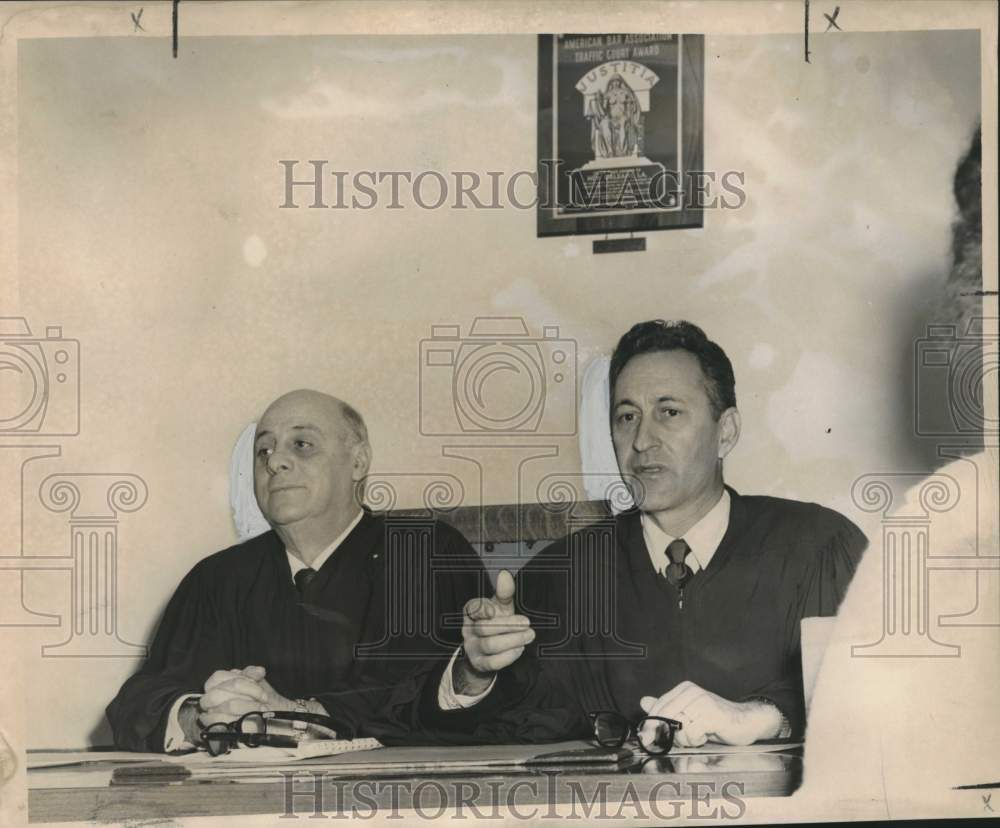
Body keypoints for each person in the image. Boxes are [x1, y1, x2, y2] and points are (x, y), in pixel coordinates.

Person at [436, 321, 869, 747]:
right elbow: (518, 722)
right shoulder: (563, 575)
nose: (642, 440)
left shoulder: (818, 547)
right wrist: (475, 673)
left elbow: (878, 703)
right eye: (627, 417)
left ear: (726, 432)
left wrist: (763, 716)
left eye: (669, 412)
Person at [106, 389, 485, 752]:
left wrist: (294, 717)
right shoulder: (217, 579)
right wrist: (200, 717)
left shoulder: (425, 552)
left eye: (302, 444)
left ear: (358, 461)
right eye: (264, 450)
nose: (274, 462)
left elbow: (442, 695)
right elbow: (137, 702)